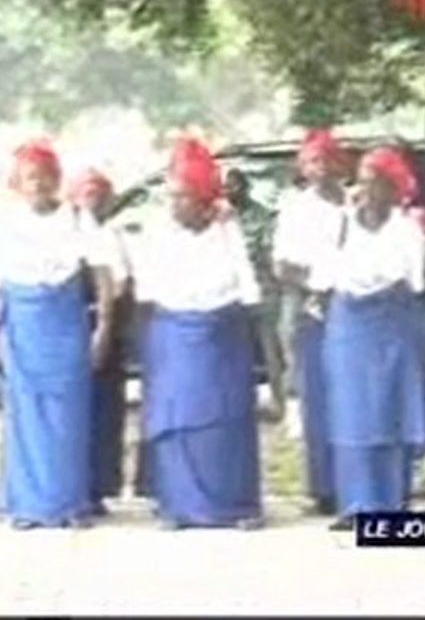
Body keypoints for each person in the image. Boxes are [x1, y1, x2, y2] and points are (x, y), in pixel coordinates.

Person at [0, 140, 115, 530]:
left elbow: (103, 274)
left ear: (57, 180)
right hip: (22, 327)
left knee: (68, 416)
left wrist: (103, 327)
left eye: (45, 177)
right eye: (29, 178)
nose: (38, 185)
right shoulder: (4, 225)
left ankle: (69, 504)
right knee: (25, 416)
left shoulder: (77, 218)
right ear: (17, 184)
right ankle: (28, 507)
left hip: (65, 326)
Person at [134, 134, 264, 530]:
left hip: (222, 333)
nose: (175, 205)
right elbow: (147, 288)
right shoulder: (157, 230)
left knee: (225, 420)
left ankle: (235, 506)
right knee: (176, 419)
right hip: (173, 332)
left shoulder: (227, 228)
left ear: (205, 200)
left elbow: (247, 286)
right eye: (171, 197)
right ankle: (177, 507)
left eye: (184, 198)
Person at [320, 146, 425, 531]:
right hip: (349, 326)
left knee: (390, 408)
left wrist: (373, 285)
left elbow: (412, 280)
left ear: (394, 187)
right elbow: (324, 274)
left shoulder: (406, 228)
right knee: (352, 412)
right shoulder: (339, 224)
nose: (366, 190)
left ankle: (391, 502)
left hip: (392, 322)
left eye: (376, 182)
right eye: (363, 181)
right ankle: (356, 503)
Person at [272, 129, 347, 516]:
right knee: (318, 397)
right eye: (312, 162)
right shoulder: (295, 207)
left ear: (340, 163)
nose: (320, 169)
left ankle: (358, 481)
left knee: (353, 399)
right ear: (302, 168)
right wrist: (319, 286)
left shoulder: (357, 203)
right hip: (313, 309)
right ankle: (323, 487)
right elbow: (282, 265)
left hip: (355, 308)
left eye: (326, 160)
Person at [68, 168, 132, 518]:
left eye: (98, 193)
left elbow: (121, 284)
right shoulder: (63, 233)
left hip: (104, 327)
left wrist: (105, 326)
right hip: (65, 326)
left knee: (104, 411)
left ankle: (99, 486)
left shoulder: (113, 235)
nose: (91, 200)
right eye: (85, 192)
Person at [224, 168, 285, 421]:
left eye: (234, 186)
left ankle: (281, 403)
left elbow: (267, 254)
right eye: (225, 187)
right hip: (229, 292)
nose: (229, 191)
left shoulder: (261, 216)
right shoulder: (219, 218)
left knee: (272, 350)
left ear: (246, 188)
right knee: (232, 351)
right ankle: (235, 404)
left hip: (262, 287)